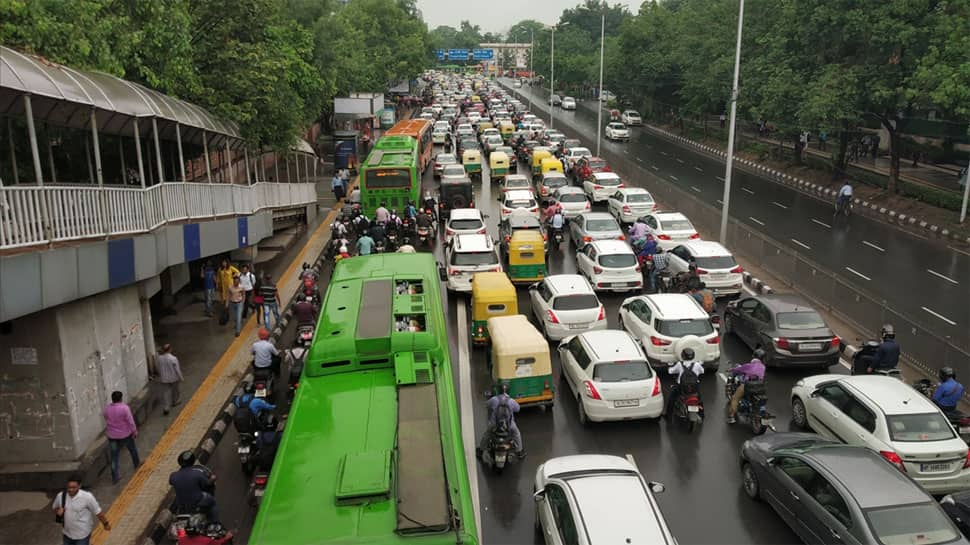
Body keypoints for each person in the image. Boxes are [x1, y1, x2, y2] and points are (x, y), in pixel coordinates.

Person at [53, 474, 110, 545]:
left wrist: (106, 524)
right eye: (69, 487)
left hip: (82, 535)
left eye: (74, 487)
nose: (70, 490)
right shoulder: (61, 496)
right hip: (67, 534)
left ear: (79, 486)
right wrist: (58, 511)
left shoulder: (87, 497)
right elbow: (55, 508)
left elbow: (98, 512)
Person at [477, 383, 525, 459]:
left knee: (487, 434)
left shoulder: (494, 399)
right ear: (508, 391)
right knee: (517, 434)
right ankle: (520, 452)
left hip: (494, 424)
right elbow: (518, 409)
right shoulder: (511, 401)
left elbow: (486, 405)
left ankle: (480, 451)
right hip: (509, 425)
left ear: (499, 390)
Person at [170, 451, 218, 523]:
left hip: (182, 505)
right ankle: (214, 523)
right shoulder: (197, 473)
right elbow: (207, 484)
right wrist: (213, 478)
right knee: (212, 502)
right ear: (192, 461)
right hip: (197, 502)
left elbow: (171, 482)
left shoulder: (173, 476)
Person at [103, 391, 140, 483]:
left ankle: (115, 476)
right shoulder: (124, 408)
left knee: (114, 456)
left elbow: (105, 417)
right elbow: (130, 421)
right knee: (132, 450)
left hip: (112, 435)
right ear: (121, 398)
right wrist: (134, 431)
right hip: (125, 434)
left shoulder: (107, 409)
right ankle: (136, 464)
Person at [727, 350, 767, 423]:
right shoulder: (763, 367)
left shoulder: (749, 366)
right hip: (760, 387)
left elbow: (737, 370)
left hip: (748, 385)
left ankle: (731, 417)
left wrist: (730, 370)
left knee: (735, 398)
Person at [665, 348, 705, 418]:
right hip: (694, 387)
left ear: (683, 356)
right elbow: (702, 371)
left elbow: (671, 371)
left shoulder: (679, 364)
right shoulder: (697, 364)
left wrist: (668, 367)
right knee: (699, 399)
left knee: (672, 398)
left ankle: (668, 415)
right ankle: (702, 414)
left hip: (681, 387)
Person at [155, 344, 183, 416]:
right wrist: (181, 377)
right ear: (170, 349)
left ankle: (166, 407)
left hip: (164, 378)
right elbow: (177, 369)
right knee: (175, 390)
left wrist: (160, 375)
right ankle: (175, 401)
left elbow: (158, 368)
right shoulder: (173, 358)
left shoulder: (159, 358)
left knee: (166, 393)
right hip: (173, 378)